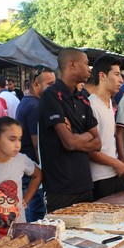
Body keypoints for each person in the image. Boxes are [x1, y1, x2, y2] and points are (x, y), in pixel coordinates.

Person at [38, 48, 101, 212]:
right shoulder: (51, 96)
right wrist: (86, 136)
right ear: (72, 65)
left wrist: (78, 136)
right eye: (86, 63)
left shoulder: (83, 98)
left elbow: (98, 143)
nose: (89, 69)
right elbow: (69, 143)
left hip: (85, 185)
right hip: (60, 189)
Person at [15, 64, 56, 222]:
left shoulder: (29, 102)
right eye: (50, 84)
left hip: (30, 169)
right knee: (37, 213)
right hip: (34, 170)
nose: (54, 88)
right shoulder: (34, 106)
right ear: (35, 84)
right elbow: (37, 144)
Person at [88, 56, 124, 200]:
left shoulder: (110, 102)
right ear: (102, 76)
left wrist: (121, 162)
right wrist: (116, 163)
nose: (121, 80)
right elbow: (90, 150)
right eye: (117, 74)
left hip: (115, 174)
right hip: (100, 178)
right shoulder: (91, 105)